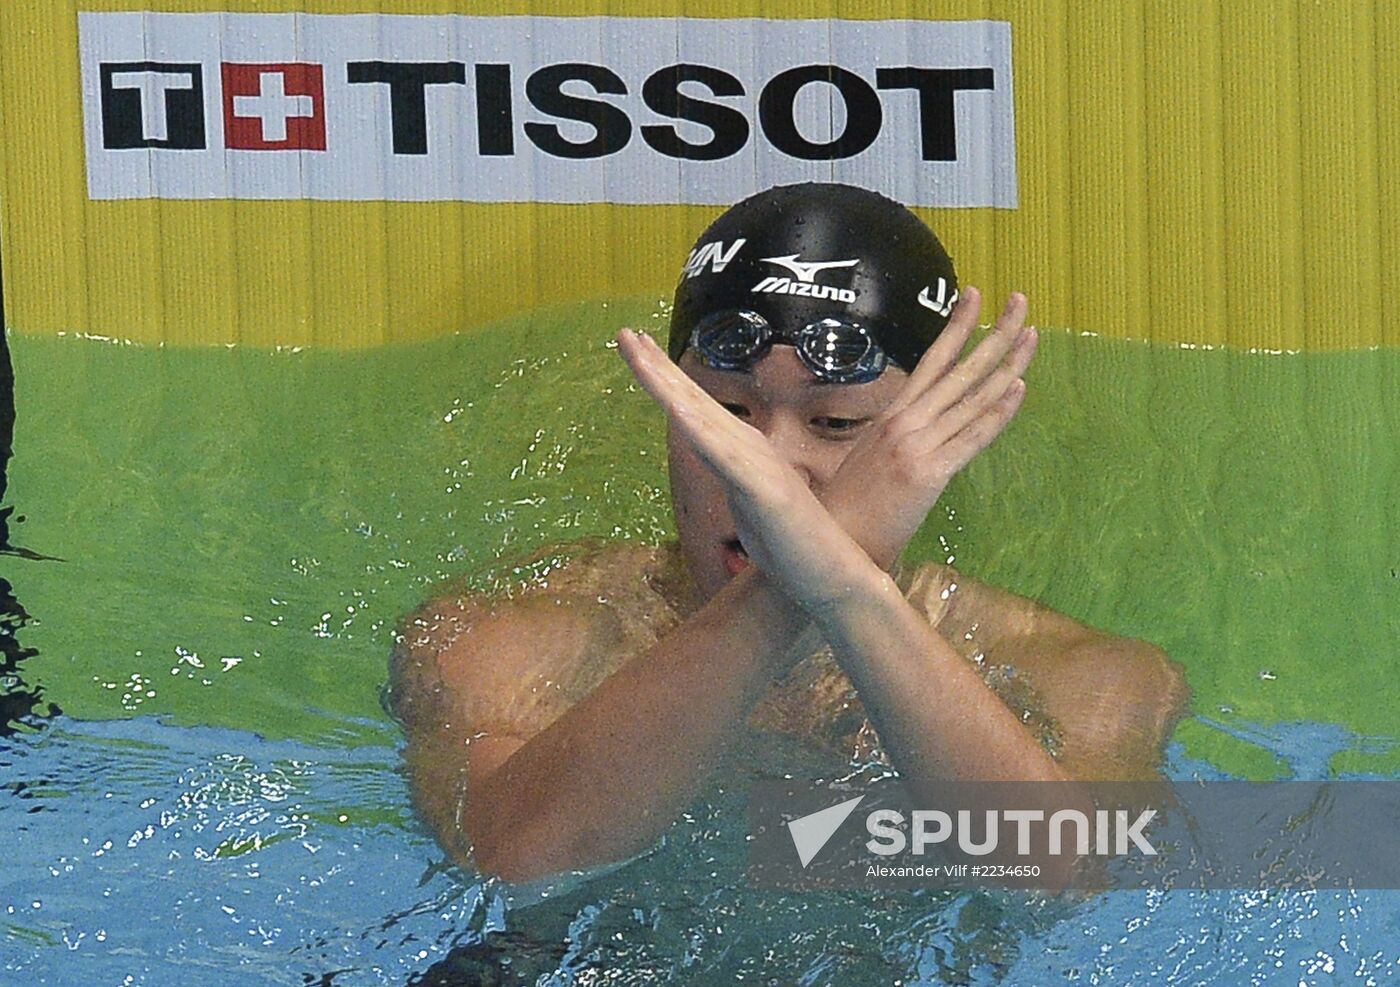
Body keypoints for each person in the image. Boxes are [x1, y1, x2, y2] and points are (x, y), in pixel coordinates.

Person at [387, 183, 1190, 885]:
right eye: (726, 414)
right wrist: (793, 585)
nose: (765, 472)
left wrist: (843, 592)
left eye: (836, 423)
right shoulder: (506, 639)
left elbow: (1070, 876)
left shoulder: (1081, 676)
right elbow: (510, 858)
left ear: (941, 440)